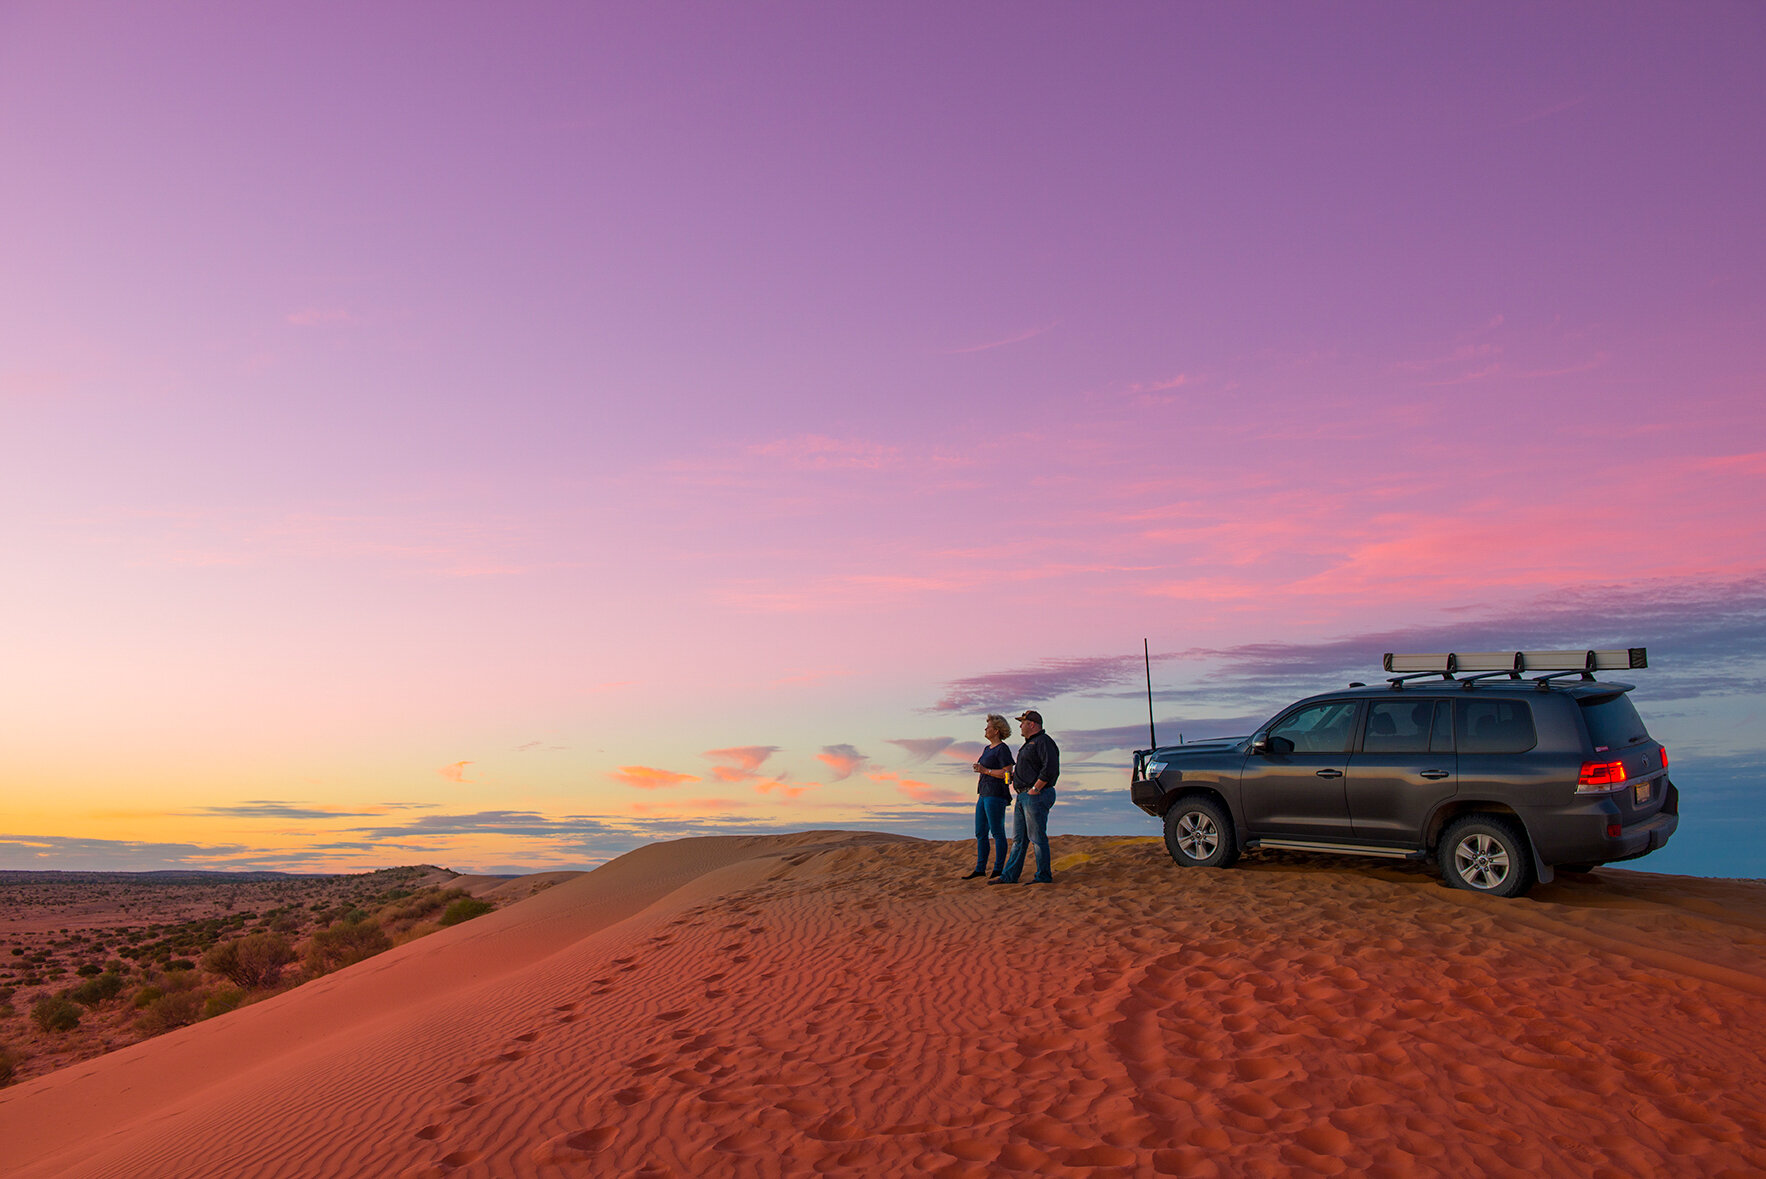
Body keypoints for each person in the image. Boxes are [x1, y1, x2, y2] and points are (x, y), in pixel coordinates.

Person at [990, 710, 1060, 885]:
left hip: (1035, 795)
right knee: (1019, 839)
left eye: (1023, 722)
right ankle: (1009, 876)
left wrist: (1036, 788)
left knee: (1037, 837)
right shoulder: (1030, 744)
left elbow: (1050, 768)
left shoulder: (1043, 741)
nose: (1020, 726)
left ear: (1032, 724)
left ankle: (1043, 876)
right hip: (1024, 795)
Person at [963, 714, 1016, 879]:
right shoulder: (987, 749)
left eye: (988, 727)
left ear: (996, 731)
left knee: (997, 831)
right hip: (983, 793)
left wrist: (986, 771)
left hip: (996, 794)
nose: (985, 730)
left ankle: (998, 869)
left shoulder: (1002, 749)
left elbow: (1008, 773)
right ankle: (980, 869)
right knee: (980, 832)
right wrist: (981, 769)